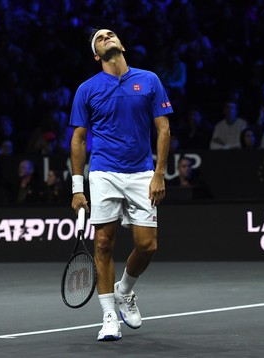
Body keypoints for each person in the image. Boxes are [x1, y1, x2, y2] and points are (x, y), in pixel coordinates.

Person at [69, 28, 172, 342]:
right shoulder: (87, 89)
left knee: (147, 245)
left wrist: (159, 173)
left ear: (122, 44)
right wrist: (77, 187)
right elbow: (78, 138)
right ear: (96, 55)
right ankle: (109, 317)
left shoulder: (150, 80)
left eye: (110, 34)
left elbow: (163, 129)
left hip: (141, 173)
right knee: (103, 243)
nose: (106, 37)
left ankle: (124, 290)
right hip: (103, 173)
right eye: (99, 38)